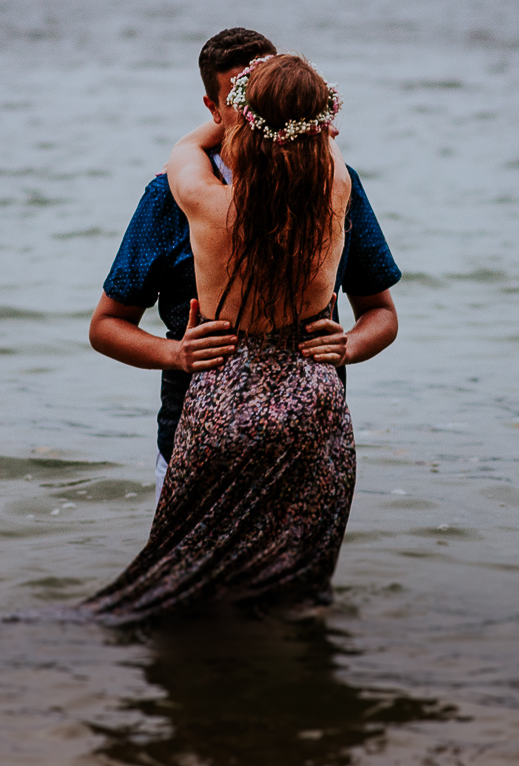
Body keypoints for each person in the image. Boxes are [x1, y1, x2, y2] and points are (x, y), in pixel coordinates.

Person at [78, 53, 366, 623]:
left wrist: (237, 107)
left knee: (183, 579)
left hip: (222, 397)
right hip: (313, 396)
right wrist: (298, 110)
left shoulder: (208, 205)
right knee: (292, 590)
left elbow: (183, 151)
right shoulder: (336, 189)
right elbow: (320, 142)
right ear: (323, 125)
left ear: (238, 116)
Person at [89, 29, 400, 500]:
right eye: (242, 92)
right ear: (213, 108)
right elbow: (105, 326)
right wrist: (175, 354)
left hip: (231, 415)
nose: (256, 101)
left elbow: (383, 312)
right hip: (247, 417)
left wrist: (351, 345)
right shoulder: (334, 183)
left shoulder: (194, 191)